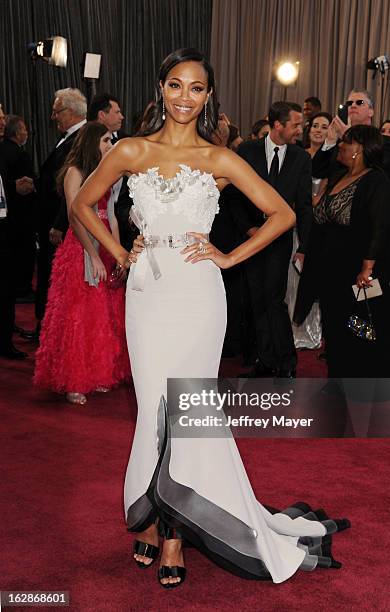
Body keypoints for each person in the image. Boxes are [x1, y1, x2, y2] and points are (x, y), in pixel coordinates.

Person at [72, 49, 349, 588]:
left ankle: (173, 531)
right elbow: (83, 203)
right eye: (175, 85)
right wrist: (119, 254)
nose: (184, 97)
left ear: (207, 96)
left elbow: (284, 213)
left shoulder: (219, 158)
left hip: (199, 295)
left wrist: (227, 258)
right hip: (148, 291)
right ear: (161, 88)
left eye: (196, 89)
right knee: (153, 407)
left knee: (187, 410)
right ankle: (152, 517)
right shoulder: (131, 149)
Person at [294, 125, 390, 378]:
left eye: (345, 141)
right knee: (335, 323)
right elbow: (320, 220)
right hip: (330, 270)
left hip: (358, 270)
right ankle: (340, 376)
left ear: (358, 148)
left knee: (360, 324)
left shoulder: (376, 180)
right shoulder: (338, 176)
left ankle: (368, 377)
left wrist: (367, 268)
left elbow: (381, 227)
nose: (340, 146)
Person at [34, 122, 130, 404]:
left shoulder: (108, 174)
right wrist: (91, 253)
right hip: (80, 248)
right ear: (91, 143)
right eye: (105, 140)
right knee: (79, 316)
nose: (110, 145)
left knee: (103, 316)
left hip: (103, 245)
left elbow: (111, 215)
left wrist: (116, 253)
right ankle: (74, 380)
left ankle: (98, 374)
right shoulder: (74, 173)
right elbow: (75, 217)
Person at [229, 102, 313, 378]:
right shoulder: (248, 151)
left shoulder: (300, 158)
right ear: (278, 125)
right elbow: (234, 196)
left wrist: (304, 247)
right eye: (296, 125)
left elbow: (303, 205)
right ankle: (265, 360)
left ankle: (286, 363)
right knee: (257, 298)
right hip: (252, 238)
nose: (300, 130)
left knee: (275, 299)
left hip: (280, 238)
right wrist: (248, 228)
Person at [35, 88, 87, 335]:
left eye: (57, 112)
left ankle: (52, 328)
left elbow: (72, 188)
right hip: (55, 220)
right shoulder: (68, 137)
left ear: (72, 111)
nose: (54, 117)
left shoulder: (80, 138)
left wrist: (59, 223)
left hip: (65, 224)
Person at [286, 112, 332, 350]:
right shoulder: (298, 154)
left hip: (318, 223)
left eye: (324, 127)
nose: (318, 130)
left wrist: (306, 201)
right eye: (315, 125)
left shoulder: (332, 158)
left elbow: (321, 195)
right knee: (291, 277)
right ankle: (290, 329)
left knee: (309, 276)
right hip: (294, 221)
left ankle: (310, 331)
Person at [312, 89, 390, 178]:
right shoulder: (339, 142)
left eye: (359, 102)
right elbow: (317, 171)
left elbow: (379, 170)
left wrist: (348, 137)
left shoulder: (385, 142)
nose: (353, 105)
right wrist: (330, 142)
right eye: (349, 103)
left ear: (371, 111)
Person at [0, 115, 37, 301]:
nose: (26, 133)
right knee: (23, 252)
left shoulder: (2, 149)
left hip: (6, 216)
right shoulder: (21, 154)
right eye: (24, 129)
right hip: (22, 214)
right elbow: (26, 186)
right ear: (16, 132)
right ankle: (23, 289)